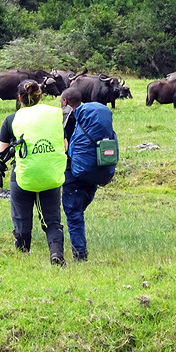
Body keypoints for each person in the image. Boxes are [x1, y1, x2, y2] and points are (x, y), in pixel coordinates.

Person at [0, 80, 66, 265]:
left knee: (21, 217)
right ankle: (56, 254)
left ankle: (23, 257)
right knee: (52, 219)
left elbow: (2, 153)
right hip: (50, 174)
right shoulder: (53, 117)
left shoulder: (11, 119)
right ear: (41, 96)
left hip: (22, 176)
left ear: (19, 98)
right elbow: (65, 145)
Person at [60, 87, 113, 261]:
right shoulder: (91, 120)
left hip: (73, 175)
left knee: (74, 216)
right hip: (92, 174)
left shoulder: (67, 121)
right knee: (78, 212)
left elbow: (64, 147)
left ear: (65, 101)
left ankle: (80, 255)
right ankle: (79, 248)